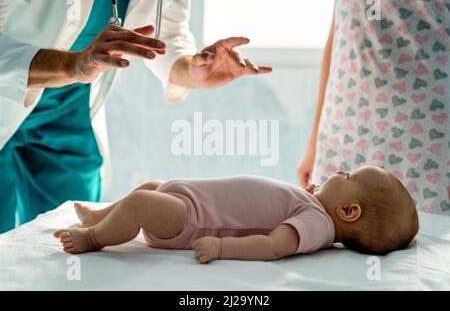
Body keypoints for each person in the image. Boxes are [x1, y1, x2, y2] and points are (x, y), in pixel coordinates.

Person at [0, 0, 271, 232]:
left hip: (68, 118)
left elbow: (167, 32)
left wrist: (192, 70)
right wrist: (73, 65)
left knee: (69, 244)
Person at [54, 166, 419, 263]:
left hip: (190, 221)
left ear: (349, 211)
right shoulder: (315, 208)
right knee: (149, 186)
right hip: (190, 197)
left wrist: (222, 248)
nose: (339, 172)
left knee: (140, 205)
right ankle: (100, 215)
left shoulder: (317, 225)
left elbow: (275, 246)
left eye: (348, 175)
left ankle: (94, 238)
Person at [296, 0, 450, 214]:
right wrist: (314, 144)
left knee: (430, 241)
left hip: (427, 136)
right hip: (343, 127)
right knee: (330, 233)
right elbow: (340, 31)